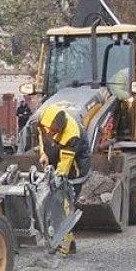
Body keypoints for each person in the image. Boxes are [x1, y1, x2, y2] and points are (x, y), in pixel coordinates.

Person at [37, 102, 92, 255]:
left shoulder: (72, 134)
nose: (51, 134)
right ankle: (66, 240)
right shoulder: (43, 121)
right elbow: (42, 140)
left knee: (64, 205)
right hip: (58, 162)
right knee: (58, 203)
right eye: (50, 131)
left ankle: (66, 244)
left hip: (75, 171)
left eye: (55, 132)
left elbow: (64, 167)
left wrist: (56, 179)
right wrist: (44, 154)